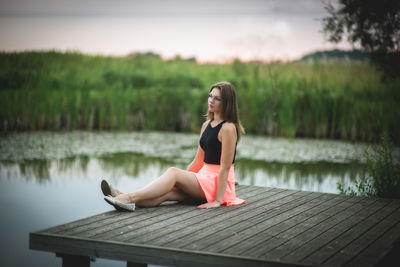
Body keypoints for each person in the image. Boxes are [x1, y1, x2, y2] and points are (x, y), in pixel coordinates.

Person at [102, 81, 246, 211]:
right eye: (210, 96)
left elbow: (225, 168)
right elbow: (198, 161)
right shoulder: (206, 125)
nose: (211, 101)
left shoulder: (228, 128)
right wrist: (183, 181)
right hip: (205, 178)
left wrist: (217, 200)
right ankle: (124, 200)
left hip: (219, 185)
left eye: (217, 98)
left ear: (227, 102)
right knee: (167, 193)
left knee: (173, 172)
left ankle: (126, 198)